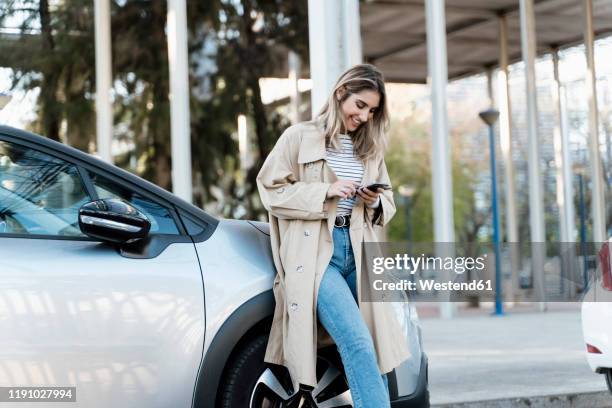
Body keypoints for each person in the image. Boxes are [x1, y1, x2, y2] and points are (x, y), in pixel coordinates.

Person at [256, 64, 410, 408]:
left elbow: (389, 203)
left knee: (378, 343)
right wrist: (327, 191)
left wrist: (374, 200)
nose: (365, 116)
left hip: (358, 249)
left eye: (372, 110)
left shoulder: (369, 148)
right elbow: (271, 190)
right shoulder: (298, 137)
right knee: (356, 341)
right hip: (317, 255)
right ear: (340, 94)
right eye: (360, 106)